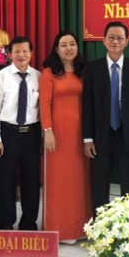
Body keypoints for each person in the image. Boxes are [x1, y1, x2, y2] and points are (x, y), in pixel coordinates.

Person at [82, 21, 129, 211]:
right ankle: (100, 224)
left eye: (120, 38)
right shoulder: (93, 69)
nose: (115, 41)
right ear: (104, 40)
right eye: (111, 37)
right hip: (100, 136)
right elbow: (87, 106)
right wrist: (87, 138)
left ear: (127, 41)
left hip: (128, 136)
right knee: (99, 185)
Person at [40, 31, 92, 243]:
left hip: (81, 134)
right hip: (57, 135)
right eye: (64, 45)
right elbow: (44, 103)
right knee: (59, 181)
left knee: (79, 181)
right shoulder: (49, 73)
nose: (69, 48)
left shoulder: (84, 71)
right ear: (56, 49)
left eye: (72, 44)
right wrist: (47, 131)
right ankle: (60, 229)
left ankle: (80, 228)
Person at [0, 36, 41, 230]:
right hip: (8, 132)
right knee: (5, 179)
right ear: (10, 54)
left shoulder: (38, 76)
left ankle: (29, 222)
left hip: (31, 134)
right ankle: (5, 223)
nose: (21, 55)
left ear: (31, 53)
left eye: (25, 51)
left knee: (31, 180)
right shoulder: (0, 76)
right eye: (17, 51)